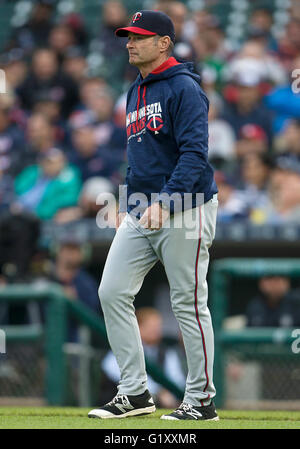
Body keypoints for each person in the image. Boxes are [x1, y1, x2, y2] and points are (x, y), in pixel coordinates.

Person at [88, 10, 219, 422]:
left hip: (188, 206)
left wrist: (166, 200)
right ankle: (135, 392)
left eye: (140, 37)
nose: (130, 42)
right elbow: (137, 158)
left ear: (164, 42)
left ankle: (201, 400)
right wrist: (130, 204)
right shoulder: (134, 91)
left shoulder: (185, 88)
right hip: (143, 210)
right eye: (128, 36)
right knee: (111, 291)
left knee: (189, 303)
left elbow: (195, 155)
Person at [100, 307, 186, 408]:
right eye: (150, 326)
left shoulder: (167, 352)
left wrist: (167, 393)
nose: (155, 330)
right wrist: (158, 391)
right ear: (137, 327)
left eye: (158, 326)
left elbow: (177, 380)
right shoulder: (123, 349)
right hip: (122, 405)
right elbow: (114, 372)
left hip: (159, 405)